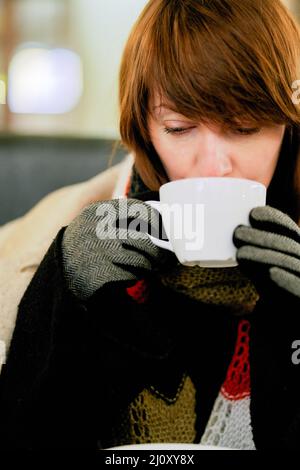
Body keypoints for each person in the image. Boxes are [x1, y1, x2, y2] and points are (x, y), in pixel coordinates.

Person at [0, 0, 300, 450]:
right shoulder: (35, 248)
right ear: (142, 128)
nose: (214, 166)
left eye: (245, 126)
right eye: (180, 128)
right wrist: (62, 298)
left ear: (289, 123)